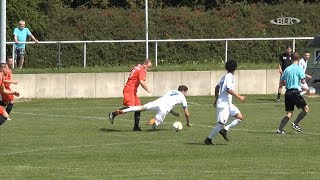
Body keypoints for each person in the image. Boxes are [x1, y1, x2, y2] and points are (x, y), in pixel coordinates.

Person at [109, 85, 191, 129]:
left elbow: (168, 102)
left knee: (140, 108)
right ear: (184, 91)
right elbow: (186, 113)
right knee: (157, 122)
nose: (185, 94)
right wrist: (187, 123)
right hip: (164, 108)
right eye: (186, 92)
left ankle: (122, 111)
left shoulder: (172, 91)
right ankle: (153, 121)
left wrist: (173, 113)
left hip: (157, 102)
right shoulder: (182, 97)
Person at [204, 60, 245, 145]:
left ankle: (225, 130)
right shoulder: (229, 77)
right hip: (223, 104)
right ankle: (208, 139)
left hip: (228, 104)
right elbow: (229, 90)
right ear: (235, 68)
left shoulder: (225, 76)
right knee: (221, 123)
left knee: (240, 117)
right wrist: (239, 96)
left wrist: (216, 99)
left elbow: (217, 87)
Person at [108, 59, 152, 131]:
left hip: (132, 91)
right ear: (145, 64)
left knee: (139, 108)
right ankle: (113, 114)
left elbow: (132, 70)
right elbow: (141, 82)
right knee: (130, 108)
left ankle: (136, 127)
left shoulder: (137, 67)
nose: (149, 69)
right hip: (129, 90)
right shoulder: (142, 70)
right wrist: (148, 90)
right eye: (149, 67)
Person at [276, 52, 309, 134]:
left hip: (288, 93)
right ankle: (295, 124)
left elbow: (282, 83)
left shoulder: (287, 69)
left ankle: (279, 129)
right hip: (295, 92)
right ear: (298, 59)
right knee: (306, 109)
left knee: (289, 113)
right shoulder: (299, 69)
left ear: (291, 59)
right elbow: (303, 81)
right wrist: (304, 80)